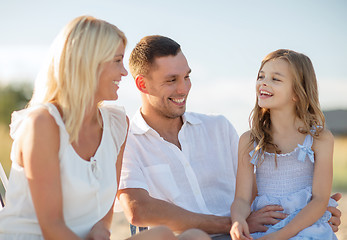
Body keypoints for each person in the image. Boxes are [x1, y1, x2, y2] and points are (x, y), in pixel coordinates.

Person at [0, 16, 207, 240]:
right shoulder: (43, 124)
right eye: (117, 61)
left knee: (186, 236)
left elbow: (105, 214)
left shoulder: (116, 123)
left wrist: (101, 229)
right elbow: (52, 227)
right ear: (89, 63)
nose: (124, 72)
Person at [117, 36, 342, 240]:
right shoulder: (127, 140)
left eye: (187, 77)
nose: (183, 88)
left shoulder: (219, 128)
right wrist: (232, 224)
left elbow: (258, 190)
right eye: (171, 80)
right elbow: (138, 210)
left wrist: (311, 211)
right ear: (142, 84)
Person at [230, 49, 338, 240]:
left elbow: (320, 200)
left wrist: (279, 236)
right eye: (261, 76)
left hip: (305, 228)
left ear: (297, 92)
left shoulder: (320, 139)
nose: (263, 82)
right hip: (263, 229)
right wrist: (238, 220)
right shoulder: (249, 140)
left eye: (275, 79)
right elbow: (241, 199)